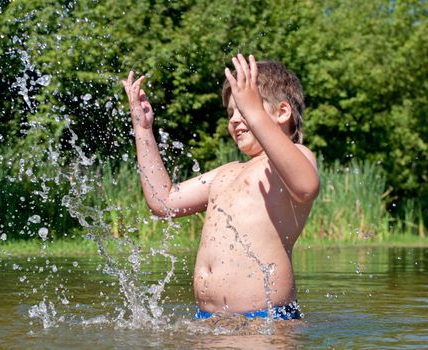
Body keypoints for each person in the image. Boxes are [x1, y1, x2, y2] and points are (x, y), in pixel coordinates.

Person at [122, 53, 320, 320]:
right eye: (232, 112)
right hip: (208, 320)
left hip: (266, 321)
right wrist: (143, 130)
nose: (235, 119)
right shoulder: (226, 173)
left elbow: (306, 186)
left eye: (245, 107)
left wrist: (254, 113)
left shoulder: (295, 158)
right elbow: (164, 201)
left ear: (282, 112)